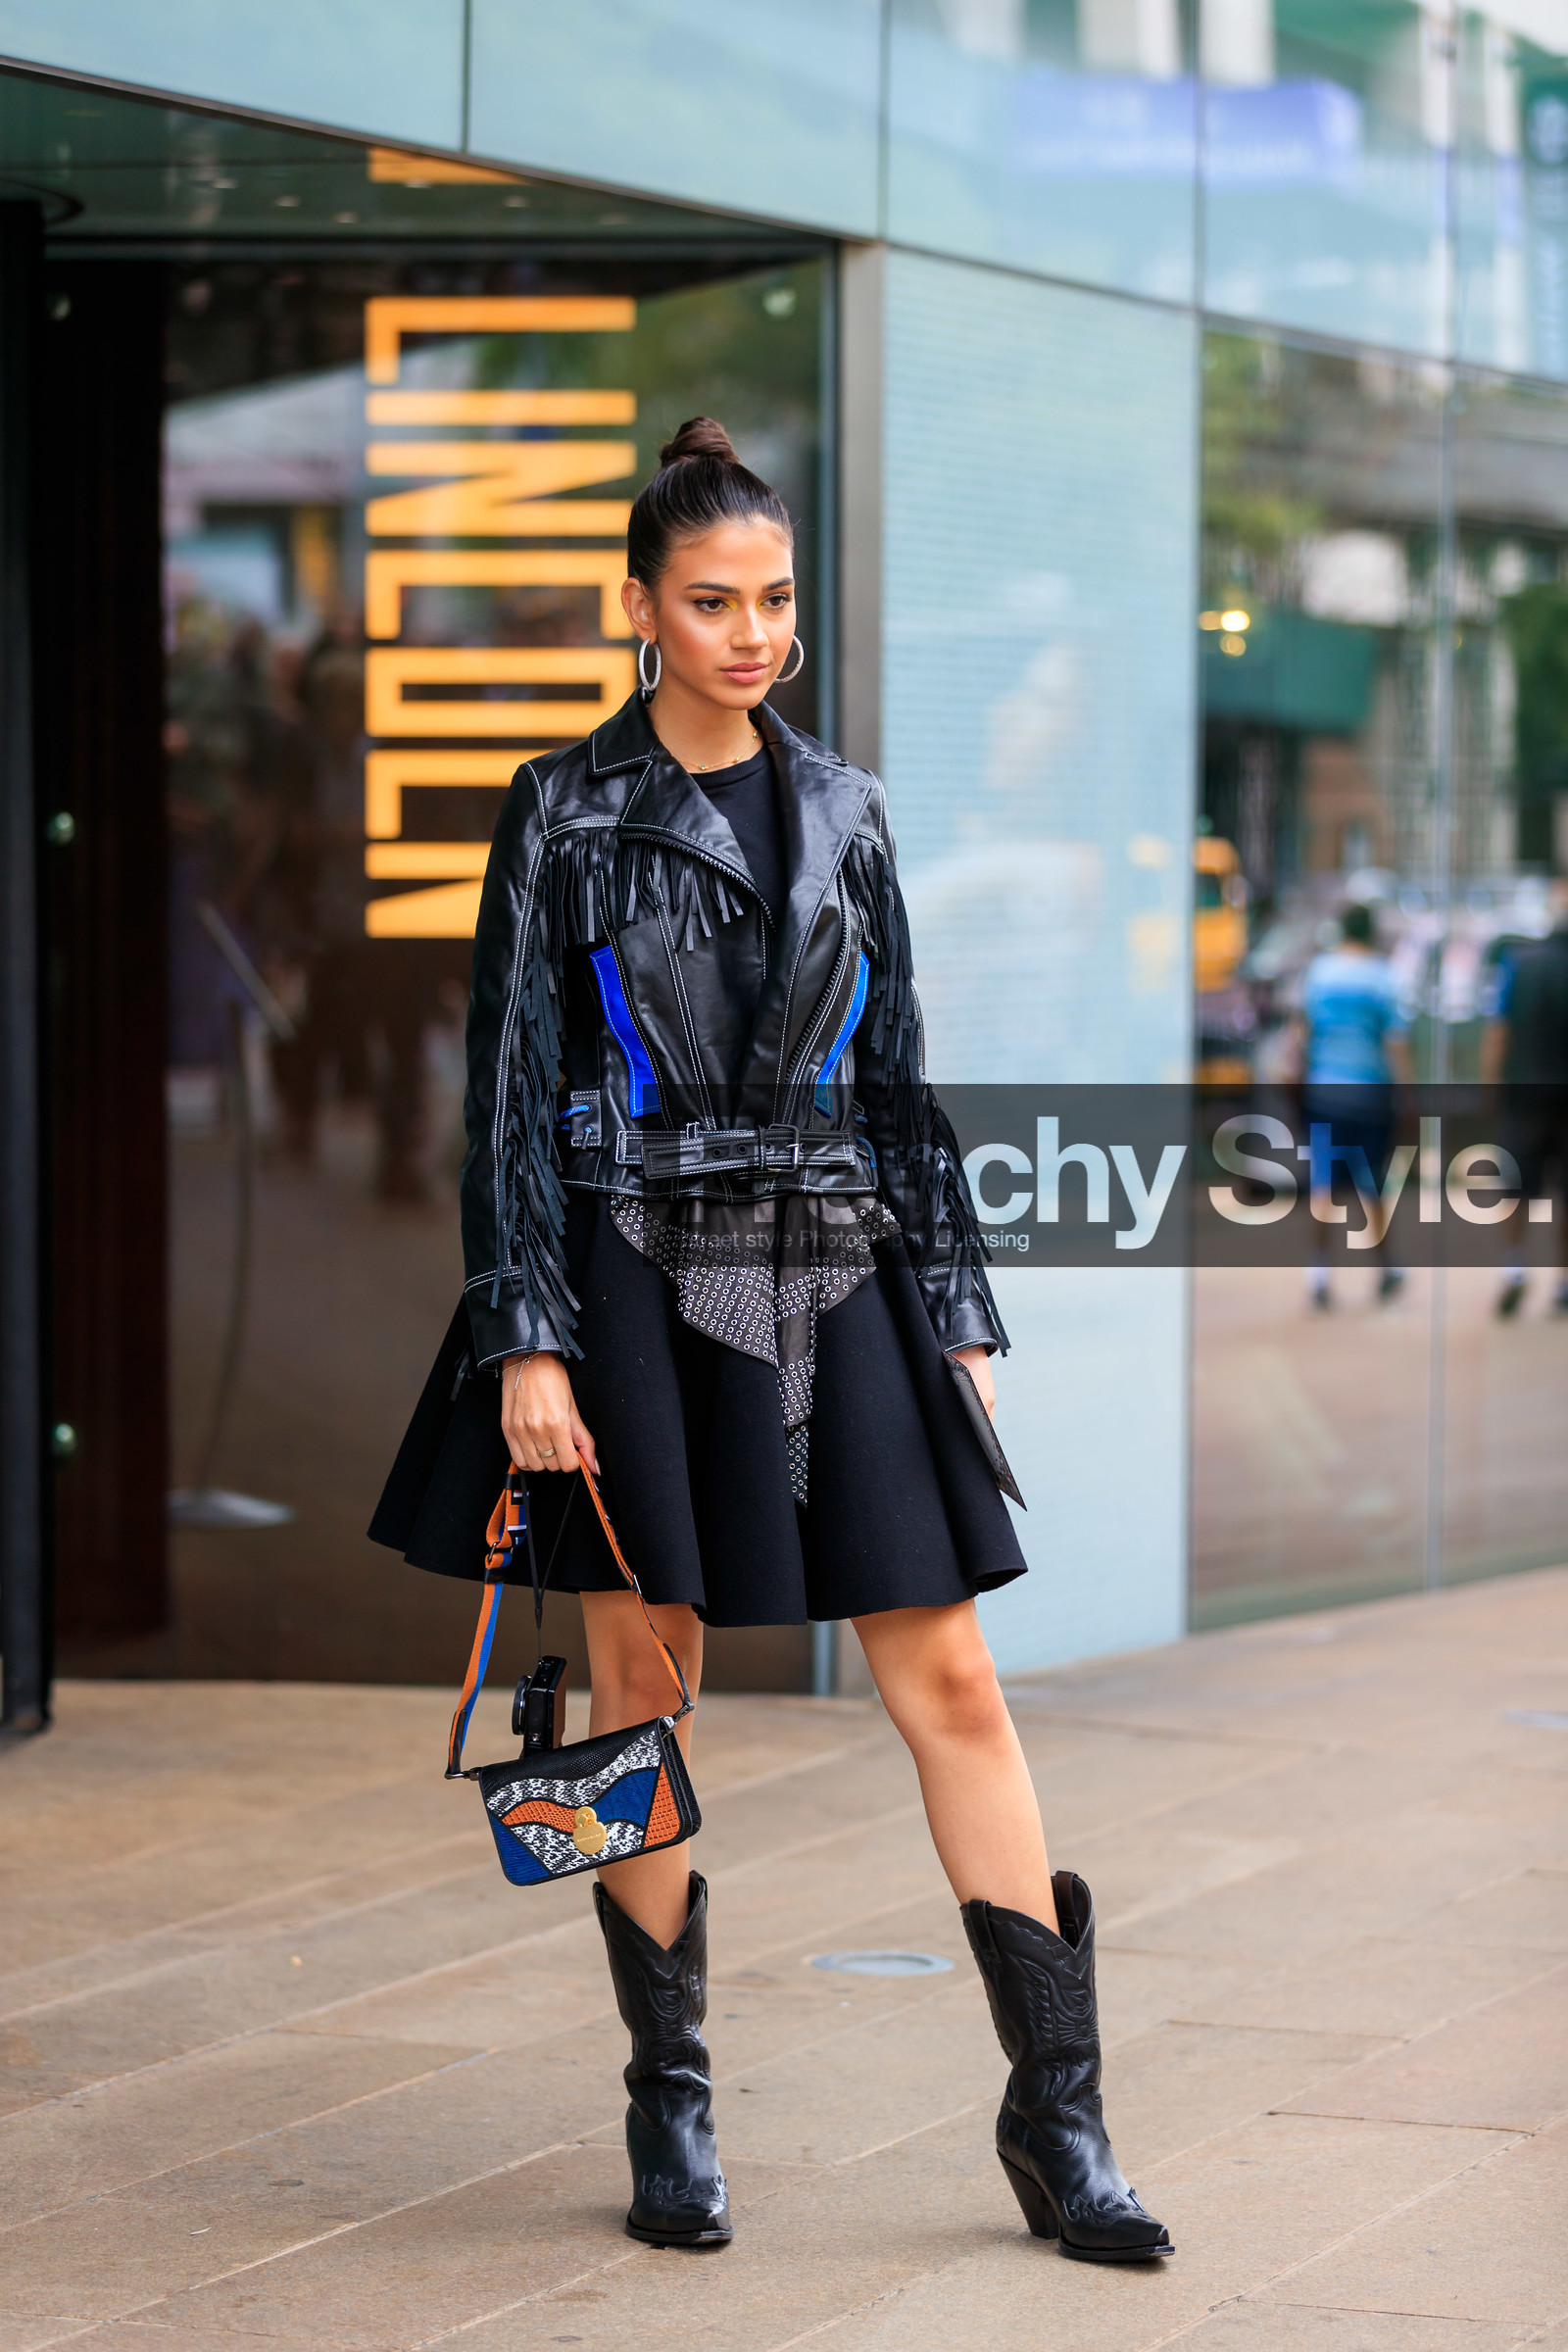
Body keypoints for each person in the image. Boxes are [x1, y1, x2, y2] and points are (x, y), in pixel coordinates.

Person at [371, 419, 1171, 2266]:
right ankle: (672, 2100)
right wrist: (529, 1344)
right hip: (627, 1277)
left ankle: (1061, 2121)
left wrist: (956, 1314)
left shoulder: (854, 810)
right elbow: (505, 1095)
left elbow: (900, 1093)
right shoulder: (560, 808)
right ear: (637, 607)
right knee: (642, 1686)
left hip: (843, 1263)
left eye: (777, 600)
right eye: (714, 602)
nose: (753, 634)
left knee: (954, 1677)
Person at [1293, 903, 1413, 1308]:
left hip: (1325, 1089)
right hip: (1370, 1093)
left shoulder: (1321, 972)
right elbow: (1395, 1041)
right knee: (1373, 1184)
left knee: (1324, 1182)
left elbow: (1302, 1031)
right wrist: (1407, 1090)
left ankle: (1319, 1271)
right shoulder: (1382, 977)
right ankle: (1383, 1268)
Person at [1481, 877, 1568, 1318]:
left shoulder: (1520, 963)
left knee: (1516, 1188)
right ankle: (1564, 1281)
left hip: (1525, 1094)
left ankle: (1515, 1268)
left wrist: (1492, 1086)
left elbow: (1499, 1032)